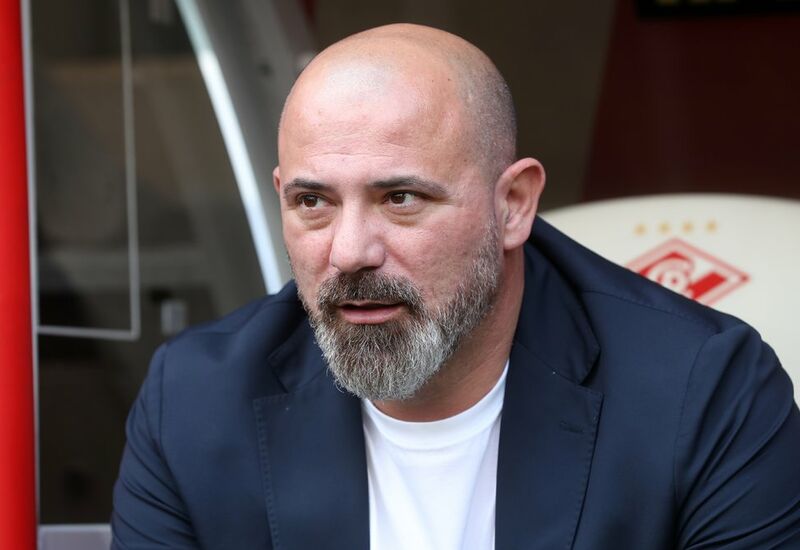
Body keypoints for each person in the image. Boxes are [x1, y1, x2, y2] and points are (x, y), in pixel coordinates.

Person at [111, 24, 800, 549]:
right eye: (313, 202)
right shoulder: (195, 403)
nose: (349, 252)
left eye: (401, 198)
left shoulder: (702, 392)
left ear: (514, 205)